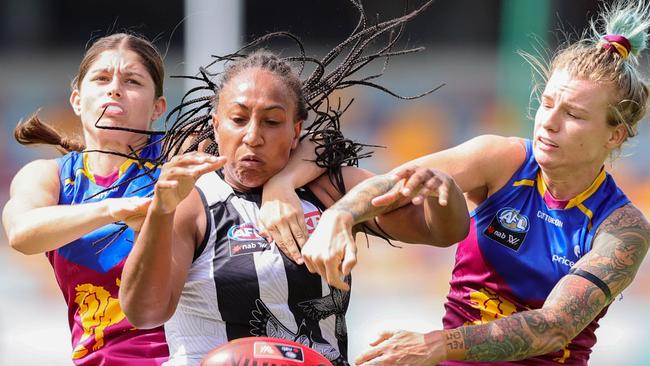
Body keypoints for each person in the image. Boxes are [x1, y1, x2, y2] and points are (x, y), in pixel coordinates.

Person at [286, 0, 650, 365]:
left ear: (614, 135)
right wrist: (341, 217)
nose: (548, 122)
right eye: (547, 103)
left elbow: (553, 326)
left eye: (573, 114)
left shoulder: (623, 228)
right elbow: (395, 181)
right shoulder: (502, 159)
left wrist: (436, 344)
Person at [118, 5, 469, 364]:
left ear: (296, 131)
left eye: (271, 122)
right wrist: (160, 213)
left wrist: (443, 188)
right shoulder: (192, 201)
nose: (253, 136)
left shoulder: (327, 189)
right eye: (238, 119)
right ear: (216, 124)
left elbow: (441, 231)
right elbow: (145, 313)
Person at [2, 33, 170, 365]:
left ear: (157, 108)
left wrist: (283, 184)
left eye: (133, 80)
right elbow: (21, 234)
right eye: (102, 78)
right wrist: (112, 209)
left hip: (183, 357)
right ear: (78, 100)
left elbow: (285, 143)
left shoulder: (180, 160)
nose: (115, 89)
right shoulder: (49, 176)